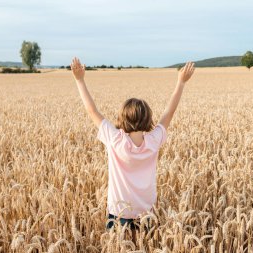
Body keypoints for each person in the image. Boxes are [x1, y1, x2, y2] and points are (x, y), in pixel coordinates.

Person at [70, 57, 195, 235]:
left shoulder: (115, 140)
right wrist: (181, 83)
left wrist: (79, 80)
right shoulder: (153, 140)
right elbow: (169, 112)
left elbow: (92, 111)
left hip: (119, 212)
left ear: (122, 118)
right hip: (147, 213)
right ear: (148, 119)